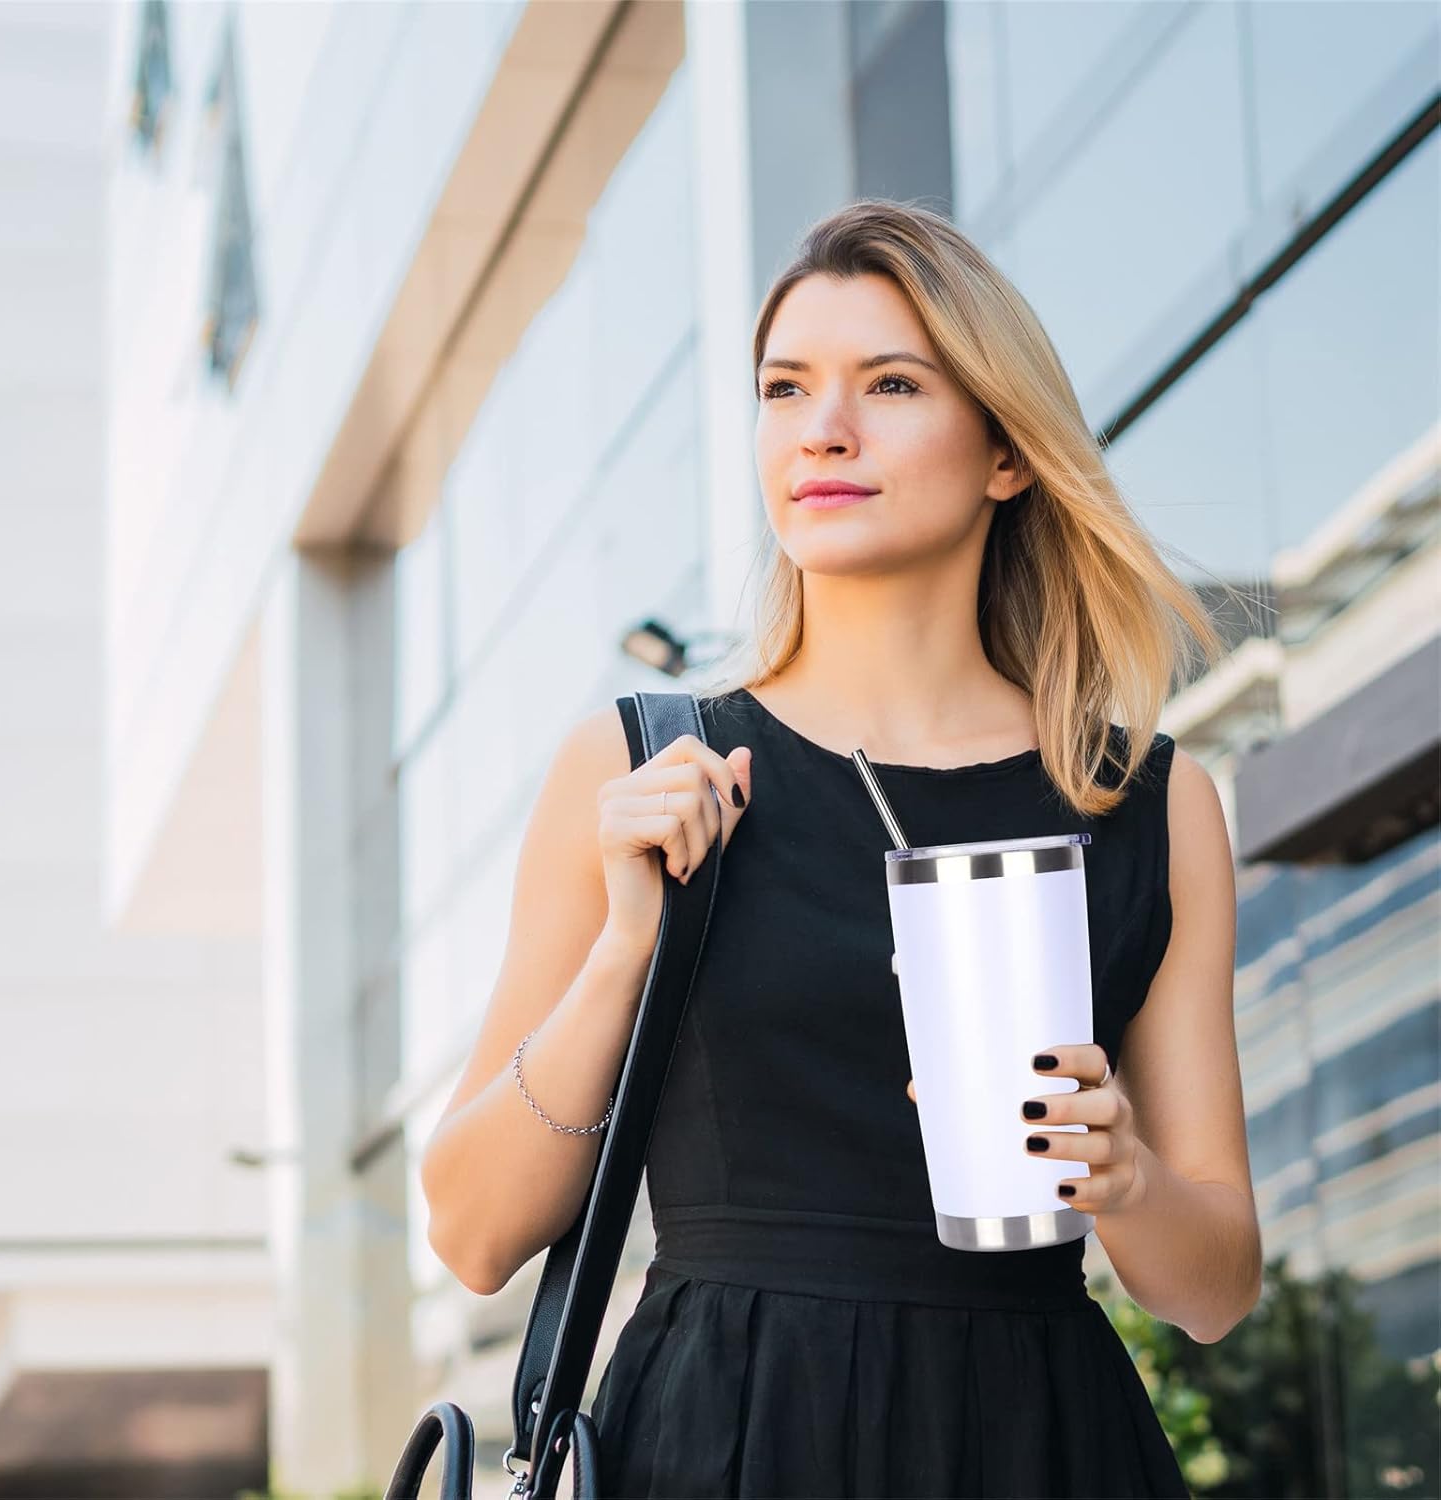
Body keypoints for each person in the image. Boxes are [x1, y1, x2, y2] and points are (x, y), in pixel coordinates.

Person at [420, 199, 1263, 1498]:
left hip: (1038, 1444)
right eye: (785, 387)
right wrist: (626, 950)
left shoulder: (1148, 803)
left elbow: (1214, 1289)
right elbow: (473, 1235)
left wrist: (1124, 1173)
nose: (823, 428)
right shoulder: (646, 763)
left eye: (890, 383)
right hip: (723, 1444)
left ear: (1005, 453)